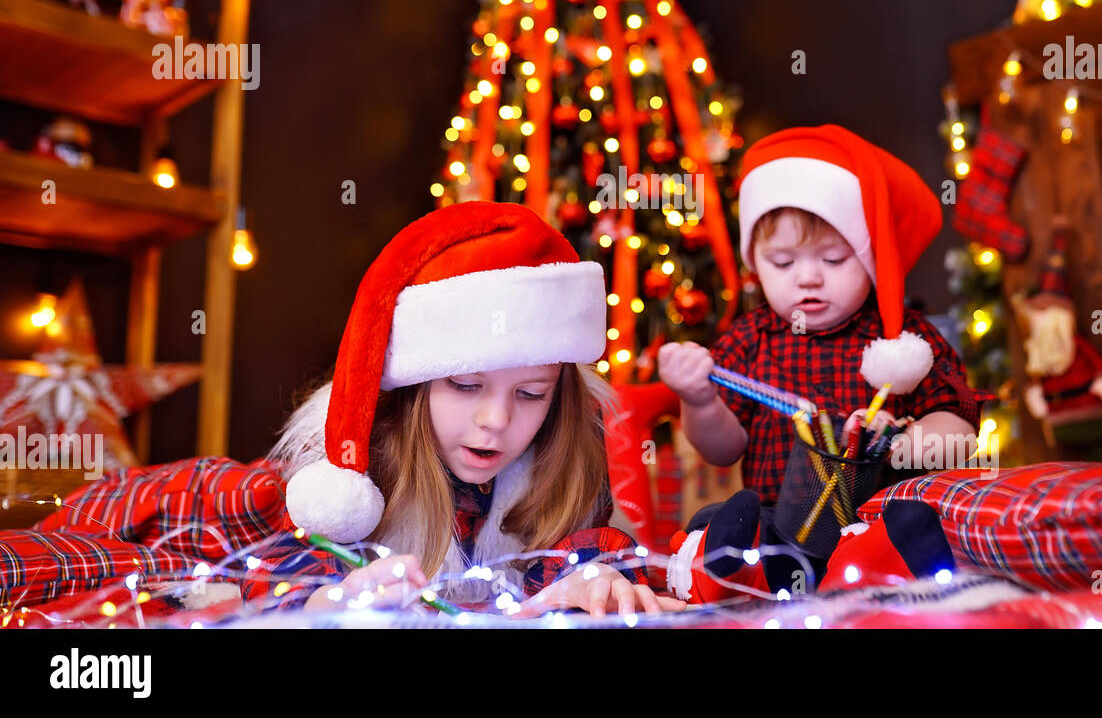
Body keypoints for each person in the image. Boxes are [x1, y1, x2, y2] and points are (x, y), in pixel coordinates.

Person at [245, 201, 684, 618]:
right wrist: (331, 599)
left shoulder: (561, 458)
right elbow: (276, 566)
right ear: (418, 385)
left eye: (531, 394)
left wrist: (592, 578)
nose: (496, 420)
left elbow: (581, 546)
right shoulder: (348, 474)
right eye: (466, 385)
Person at [657, 125, 988, 599]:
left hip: (874, 520)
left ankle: (875, 567)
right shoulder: (751, 339)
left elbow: (961, 432)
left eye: (834, 259)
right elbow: (722, 450)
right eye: (783, 263)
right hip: (779, 525)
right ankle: (734, 570)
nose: (808, 278)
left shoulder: (903, 338)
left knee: (911, 525)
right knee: (724, 521)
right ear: (755, 263)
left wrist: (902, 442)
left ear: (873, 258)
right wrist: (699, 399)